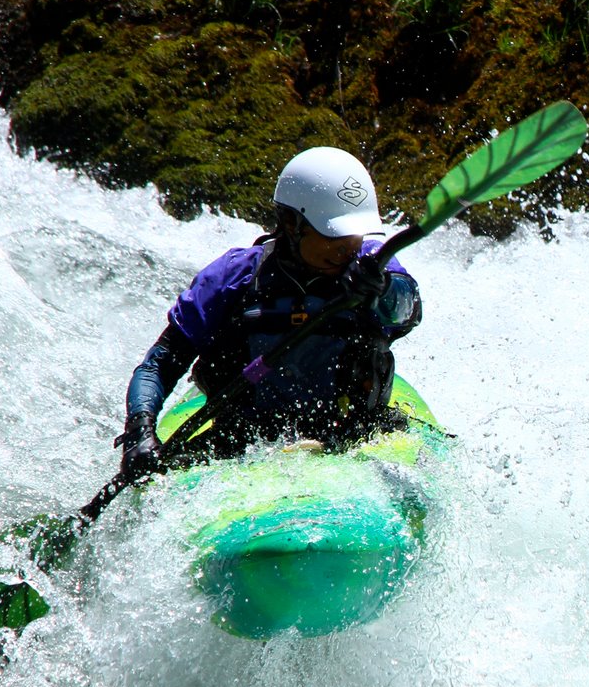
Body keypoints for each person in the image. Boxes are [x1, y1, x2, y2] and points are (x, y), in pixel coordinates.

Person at [116, 146, 423, 477]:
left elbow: (407, 310)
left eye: (354, 234)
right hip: (246, 446)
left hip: (352, 437)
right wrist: (140, 432)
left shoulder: (373, 263)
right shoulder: (233, 278)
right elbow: (159, 364)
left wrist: (381, 288)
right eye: (334, 234)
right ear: (292, 222)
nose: (348, 247)